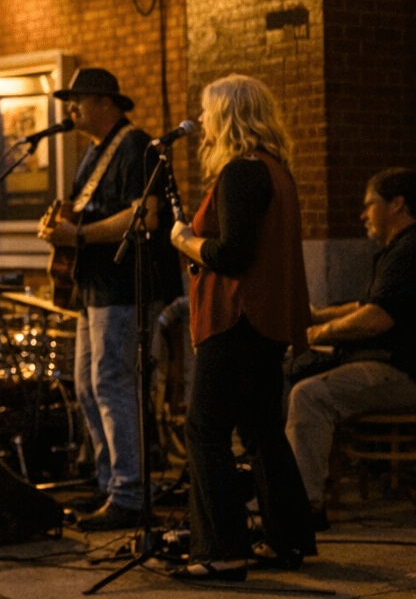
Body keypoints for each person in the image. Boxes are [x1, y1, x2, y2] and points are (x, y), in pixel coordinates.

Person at [169, 74, 316, 581]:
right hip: (266, 318)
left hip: (236, 317)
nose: (202, 122)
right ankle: (287, 539)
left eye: (208, 112)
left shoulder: (240, 172)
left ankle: (223, 550)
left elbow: (233, 255)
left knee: (204, 430)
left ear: (228, 116)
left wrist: (186, 240)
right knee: (260, 431)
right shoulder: (275, 170)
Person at [37, 67, 176, 530]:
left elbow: (147, 215)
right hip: (94, 288)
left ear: (104, 101)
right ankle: (109, 483)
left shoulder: (134, 146)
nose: (71, 109)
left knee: (113, 383)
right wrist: (59, 223)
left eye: (77, 100)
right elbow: (84, 213)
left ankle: (131, 492)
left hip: (123, 288)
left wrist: (77, 234)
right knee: (87, 385)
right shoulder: (94, 154)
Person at [285, 167, 416, 529]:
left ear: (397, 204)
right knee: (293, 372)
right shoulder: (399, 250)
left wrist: (317, 333)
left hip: (402, 371)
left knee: (309, 395)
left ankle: (303, 507)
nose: (363, 215)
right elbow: (368, 303)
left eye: (369, 205)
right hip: (389, 363)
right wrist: (316, 316)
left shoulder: (409, 251)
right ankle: (280, 488)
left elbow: (377, 317)